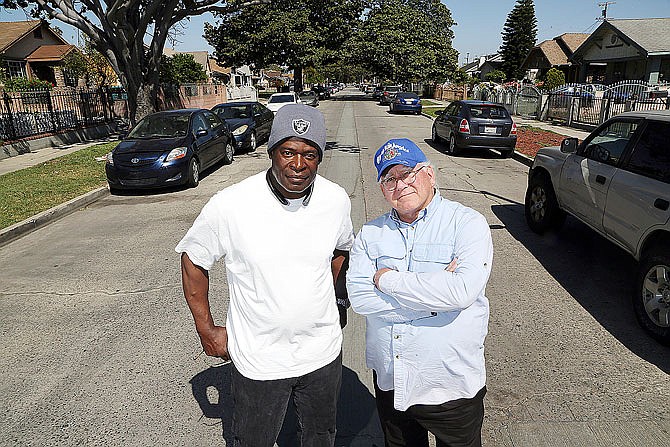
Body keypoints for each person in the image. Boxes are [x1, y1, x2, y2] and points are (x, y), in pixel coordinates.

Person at [176, 104, 354, 446]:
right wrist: (206, 329)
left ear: (320, 158)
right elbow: (194, 260)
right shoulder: (231, 204)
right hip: (259, 359)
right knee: (253, 440)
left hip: (322, 354)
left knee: (321, 437)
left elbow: (341, 250)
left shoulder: (334, 199)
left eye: (310, 154)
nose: (298, 165)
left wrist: (331, 300)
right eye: (288, 152)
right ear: (271, 151)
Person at [346, 138, 493, 447]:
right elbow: (359, 297)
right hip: (392, 379)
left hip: (451, 383)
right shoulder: (370, 234)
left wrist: (387, 281)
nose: (400, 184)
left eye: (407, 173)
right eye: (389, 179)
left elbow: (464, 290)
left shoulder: (466, 223)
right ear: (383, 188)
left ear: (429, 173)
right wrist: (439, 295)